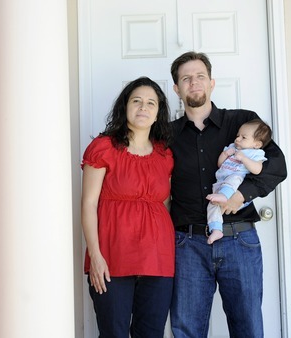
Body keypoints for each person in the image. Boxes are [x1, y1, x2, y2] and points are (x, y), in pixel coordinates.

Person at [168, 51, 287, 338]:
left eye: (199, 76)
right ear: (177, 89)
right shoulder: (166, 134)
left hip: (240, 240)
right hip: (187, 245)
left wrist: (241, 195)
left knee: (247, 327)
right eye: (186, 78)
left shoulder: (243, 123)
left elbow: (277, 167)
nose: (193, 82)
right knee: (187, 330)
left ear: (211, 82)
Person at [81, 76, 174, 337]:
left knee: (151, 333)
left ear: (158, 113)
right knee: (114, 333)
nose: (143, 107)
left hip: (158, 258)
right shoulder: (103, 147)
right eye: (137, 101)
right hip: (112, 255)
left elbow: (163, 204)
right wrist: (95, 257)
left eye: (150, 103)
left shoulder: (165, 154)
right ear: (125, 107)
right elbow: (88, 203)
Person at [206, 119, 271, 244]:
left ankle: (224, 195)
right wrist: (225, 154)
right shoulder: (232, 147)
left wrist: (244, 158)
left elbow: (257, 169)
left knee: (234, 178)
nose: (238, 139)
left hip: (235, 185)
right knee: (213, 205)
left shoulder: (255, 153)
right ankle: (216, 230)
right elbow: (220, 164)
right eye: (238, 135)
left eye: (243, 137)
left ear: (257, 144)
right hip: (221, 183)